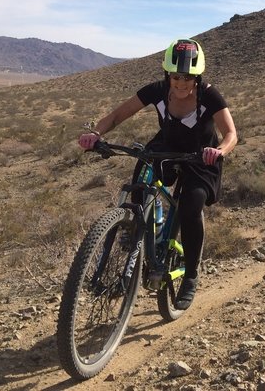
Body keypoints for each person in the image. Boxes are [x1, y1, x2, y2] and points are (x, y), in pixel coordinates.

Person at [78, 38, 237, 310]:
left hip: (200, 156)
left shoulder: (209, 96)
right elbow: (118, 115)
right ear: (167, 75)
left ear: (197, 77)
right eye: (176, 77)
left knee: (191, 205)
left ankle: (191, 275)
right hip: (165, 149)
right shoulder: (158, 91)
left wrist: (219, 150)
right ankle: (138, 227)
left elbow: (231, 134)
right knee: (140, 180)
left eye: (188, 77)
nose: (181, 83)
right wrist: (96, 134)